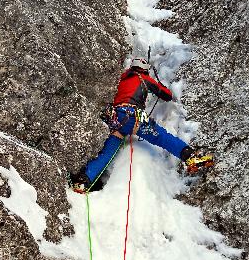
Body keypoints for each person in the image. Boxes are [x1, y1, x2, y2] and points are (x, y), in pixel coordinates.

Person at [69, 57, 213, 193]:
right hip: (132, 117)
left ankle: (83, 181)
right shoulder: (143, 78)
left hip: (115, 120)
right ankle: (190, 156)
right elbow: (166, 95)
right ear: (144, 69)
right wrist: (159, 84)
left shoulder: (122, 79)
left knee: (106, 154)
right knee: (162, 137)